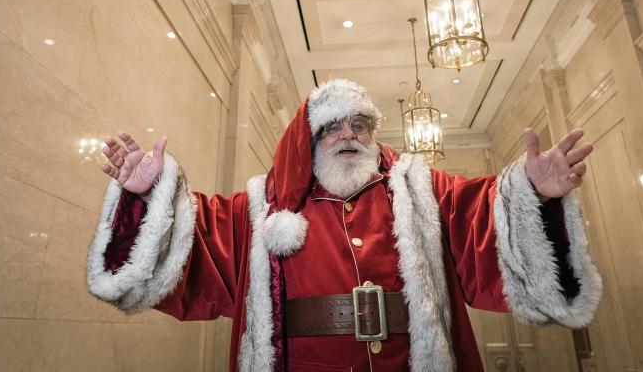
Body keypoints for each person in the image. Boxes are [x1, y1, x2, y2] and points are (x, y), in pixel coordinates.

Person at [87, 79, 601, 372]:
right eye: (332, 127)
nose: (348, 134)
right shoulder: (263, 208)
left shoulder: (420, 190)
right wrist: (145, 197)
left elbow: (484, 220)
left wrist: (533, 193)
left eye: (359, 125)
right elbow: (192, 244)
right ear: (307, 141)